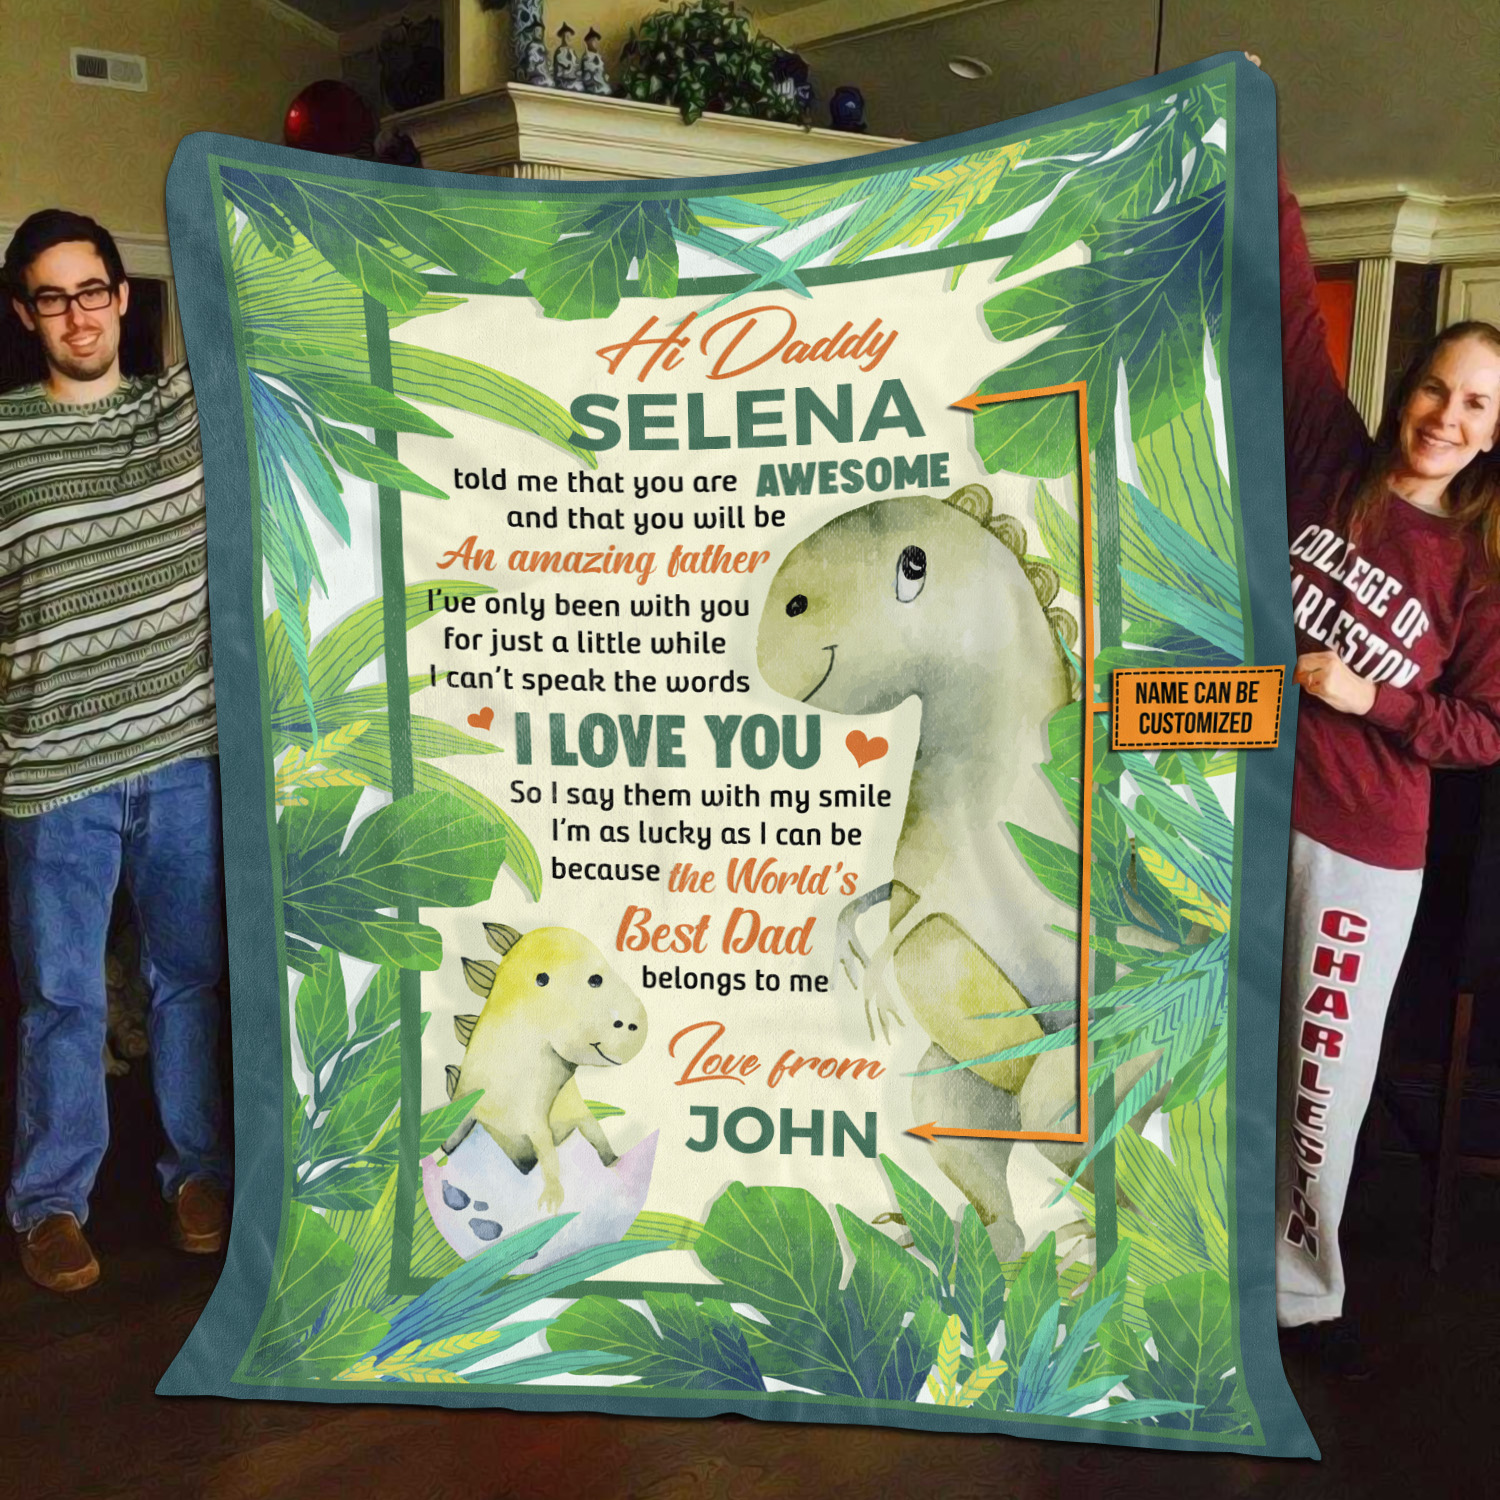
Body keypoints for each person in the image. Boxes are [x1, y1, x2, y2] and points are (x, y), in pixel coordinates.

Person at [1275, 153, 1500, 1339]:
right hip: (1238, 803)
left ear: (1495, 431)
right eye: (1436, 389)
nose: (1446, 418)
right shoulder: (1332, 460)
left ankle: (1298, 1295)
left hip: (1363, 849)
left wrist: (1375, 699)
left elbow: (1485, 731)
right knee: (1210, 1047)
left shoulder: (1477, 570)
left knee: (1320, 1084)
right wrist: (1257, 146)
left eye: (1477, 406)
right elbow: (1285, 313)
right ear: (1407, 388)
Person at [1, 210, 229, 1293]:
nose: (77, 316)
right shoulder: (3, 437)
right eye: (52, 298)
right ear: (25, 314)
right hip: (51, 773)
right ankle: (50, 1203)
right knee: (64, 1000)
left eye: (92, 291)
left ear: (124, 296)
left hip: (185, 755)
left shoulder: (186, 412)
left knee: (190, 981)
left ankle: (201, 1177)